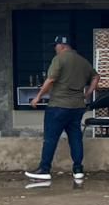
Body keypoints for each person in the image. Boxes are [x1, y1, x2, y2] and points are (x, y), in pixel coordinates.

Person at [25, 36, 99, 183]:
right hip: (77, 106)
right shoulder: (83, 61)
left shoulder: (59, 59)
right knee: (75, 138)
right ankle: (78, 170)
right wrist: (88, 93)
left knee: (50, 139)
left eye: (56, 46)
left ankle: (44, 169)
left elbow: (51, 79)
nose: (55, 49)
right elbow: (96, 77)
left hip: (58, 105)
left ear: (63, 46)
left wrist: (38, 97)